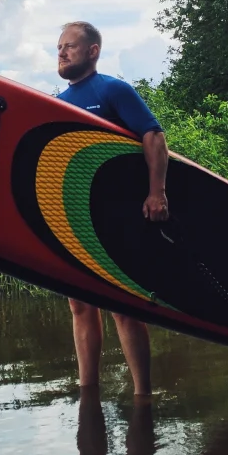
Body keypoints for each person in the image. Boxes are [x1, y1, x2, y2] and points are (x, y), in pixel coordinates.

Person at [57, 21, 169, 398]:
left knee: (124, 307)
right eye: (59, 47)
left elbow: (154, 136)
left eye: (70, 46)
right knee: (80, 307)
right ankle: (88, 392)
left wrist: (157, 192)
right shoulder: (57, 103)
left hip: (117, 217)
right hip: (76, 219)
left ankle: (143, 395)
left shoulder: (112, 90)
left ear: (93, 51)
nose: (62, 52)